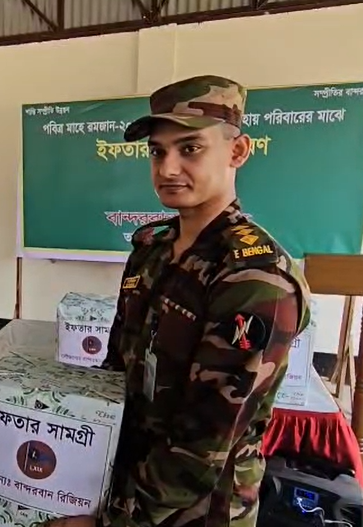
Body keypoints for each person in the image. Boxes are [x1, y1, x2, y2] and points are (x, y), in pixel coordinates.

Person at [52, 76, 312, 527]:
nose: (168, 168)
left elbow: (206, 444)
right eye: (157, 152)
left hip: (197, 510)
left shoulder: (255, 277)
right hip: (125, 481)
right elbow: (120, 367)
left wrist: (114, 522)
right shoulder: (152, 248)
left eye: (190, 149)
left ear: (237, 151)